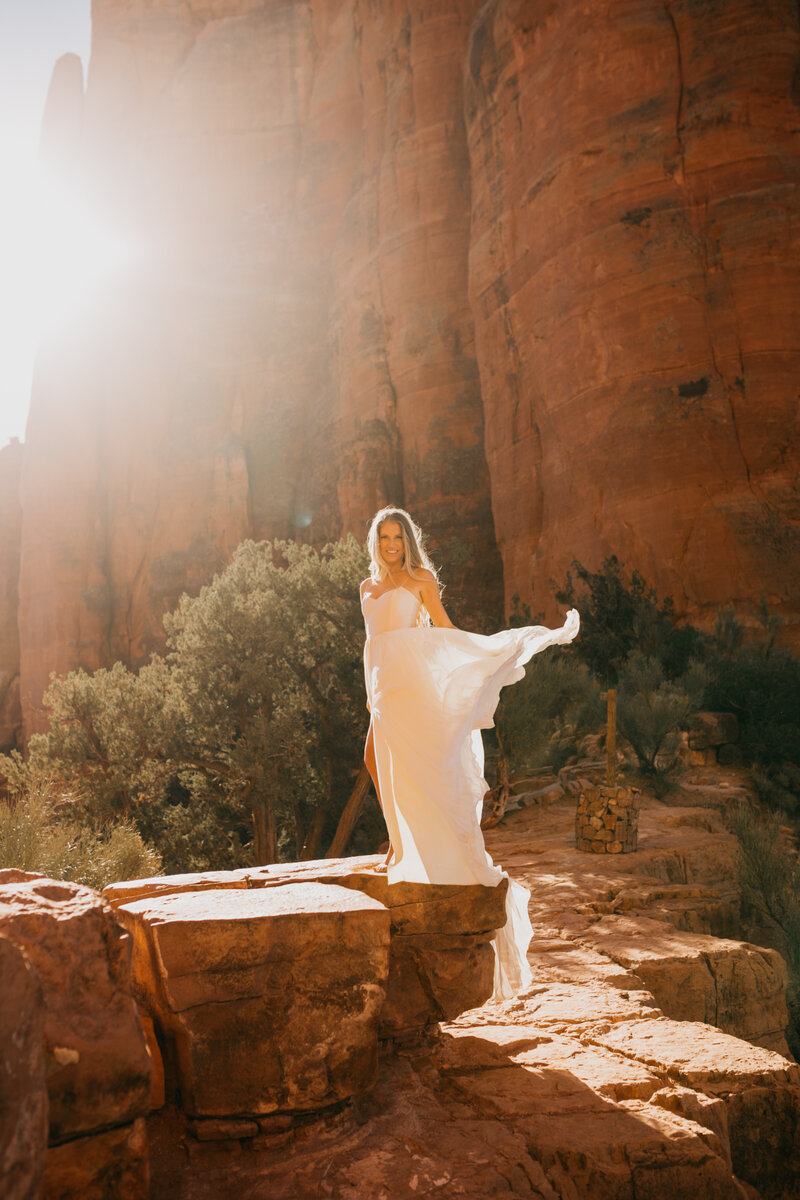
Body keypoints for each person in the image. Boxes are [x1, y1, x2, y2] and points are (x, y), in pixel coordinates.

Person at [360, 505, 580, 1000]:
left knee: (413, 767)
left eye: (398, 536)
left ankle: (402, 850)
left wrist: (481, 655)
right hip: (382, 688)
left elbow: (443, 629)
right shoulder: (367, 587)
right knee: (376, 761)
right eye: (384, 537)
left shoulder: (420, 579)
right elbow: (372, 644)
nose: (391, 544)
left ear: (407, 540)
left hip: (409, 686)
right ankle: (400, 843)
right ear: (375, 541)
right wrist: (369, 688)